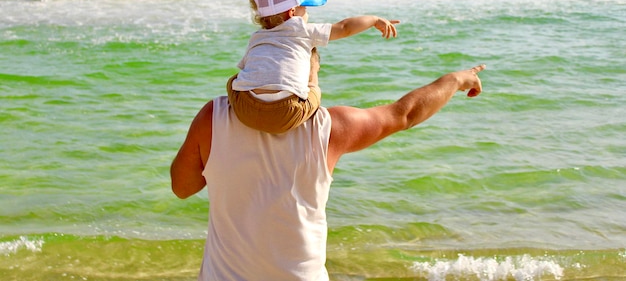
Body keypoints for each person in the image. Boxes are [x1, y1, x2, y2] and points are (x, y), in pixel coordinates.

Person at [171, 50, 486, 281]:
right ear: (306, 76)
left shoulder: (213, 118)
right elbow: (405, 113)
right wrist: (456, 79)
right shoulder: (329, 128)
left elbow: (183, 187)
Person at [227, 0, 399, 134]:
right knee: (313, 87)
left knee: (234, 80)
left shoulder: (256, 37)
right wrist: (374, 20)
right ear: (292, 13)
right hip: (286, 113)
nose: (308, 12)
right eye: (305, 8)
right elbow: (344, 27)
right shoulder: (303, 30)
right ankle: (311, 92)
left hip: (245, 111)